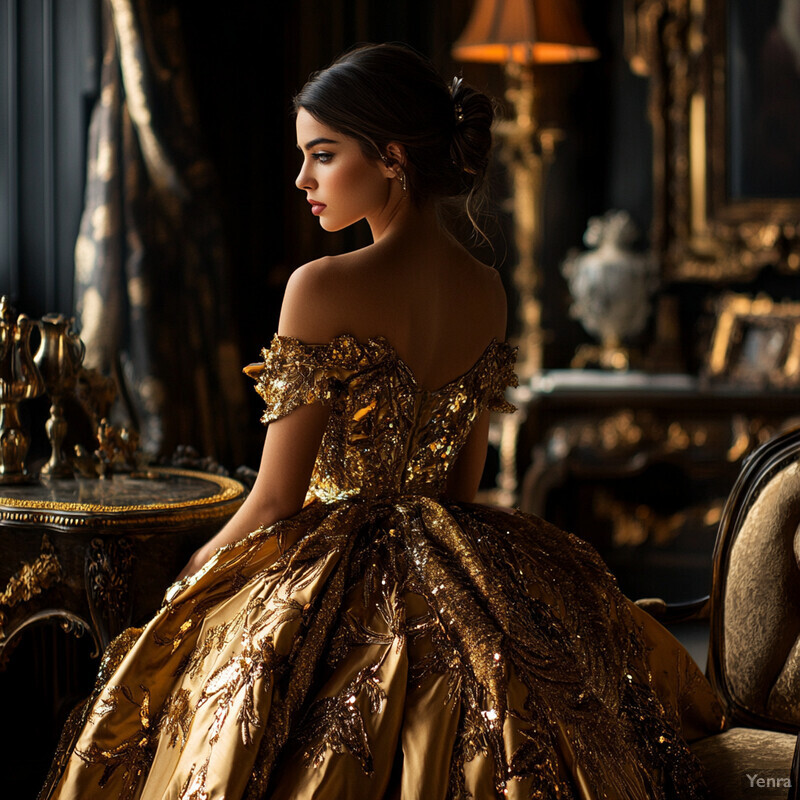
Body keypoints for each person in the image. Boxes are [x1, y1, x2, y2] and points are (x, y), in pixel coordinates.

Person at [40, 43, 723, 800]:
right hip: (463, 560)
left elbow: (275, 500)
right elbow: (464, 488)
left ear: (393, 156)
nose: (303, 178)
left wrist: (190, 577)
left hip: (334, 571)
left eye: (323, 155)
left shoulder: (321, 287)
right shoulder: (487, 290)